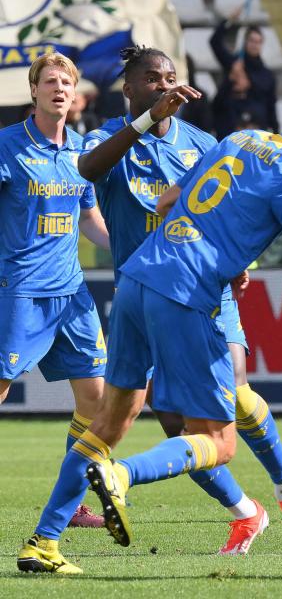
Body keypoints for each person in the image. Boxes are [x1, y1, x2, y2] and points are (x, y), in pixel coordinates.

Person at [17, 84, 282, 574]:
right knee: (219, 443)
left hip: (139, 276)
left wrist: (224, 242)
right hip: (184, 294)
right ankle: (120, 475)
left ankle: (43, 543)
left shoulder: (242, 139)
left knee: (110, 420)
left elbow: (167, 201)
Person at [77, 45, 282, 556]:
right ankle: (244, 510)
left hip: (204, 290)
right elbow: (88, 170)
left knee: (234, 394)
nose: (165, 84)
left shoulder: (202, 141)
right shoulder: (108, 137)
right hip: (145, 288)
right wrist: (148, 121)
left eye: (171, 76)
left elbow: (218, 206)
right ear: (128, 88)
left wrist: (241, 264)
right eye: (152, 78)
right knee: (179, 428)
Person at [0, 53, 110, 530]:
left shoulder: (82, 151)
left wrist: (124, 250)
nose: (59, 88)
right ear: (34, 91)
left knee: (97, 397)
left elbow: (88, 217)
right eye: (50, 81)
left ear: (77, 92)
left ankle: (73, 500)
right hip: (21, 291)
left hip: (72, 294)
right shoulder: (8, 145)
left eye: (67, 81)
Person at [210, 3, 278, 140]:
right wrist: (230, 21)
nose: (254, 45)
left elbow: (271, 108)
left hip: (257, 134)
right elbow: (215, 42)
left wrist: (276, 134)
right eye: (251, 40)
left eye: (258, 42)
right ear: (245, 42)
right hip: (230, 131)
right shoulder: (234, 64)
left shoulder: (267, 75)